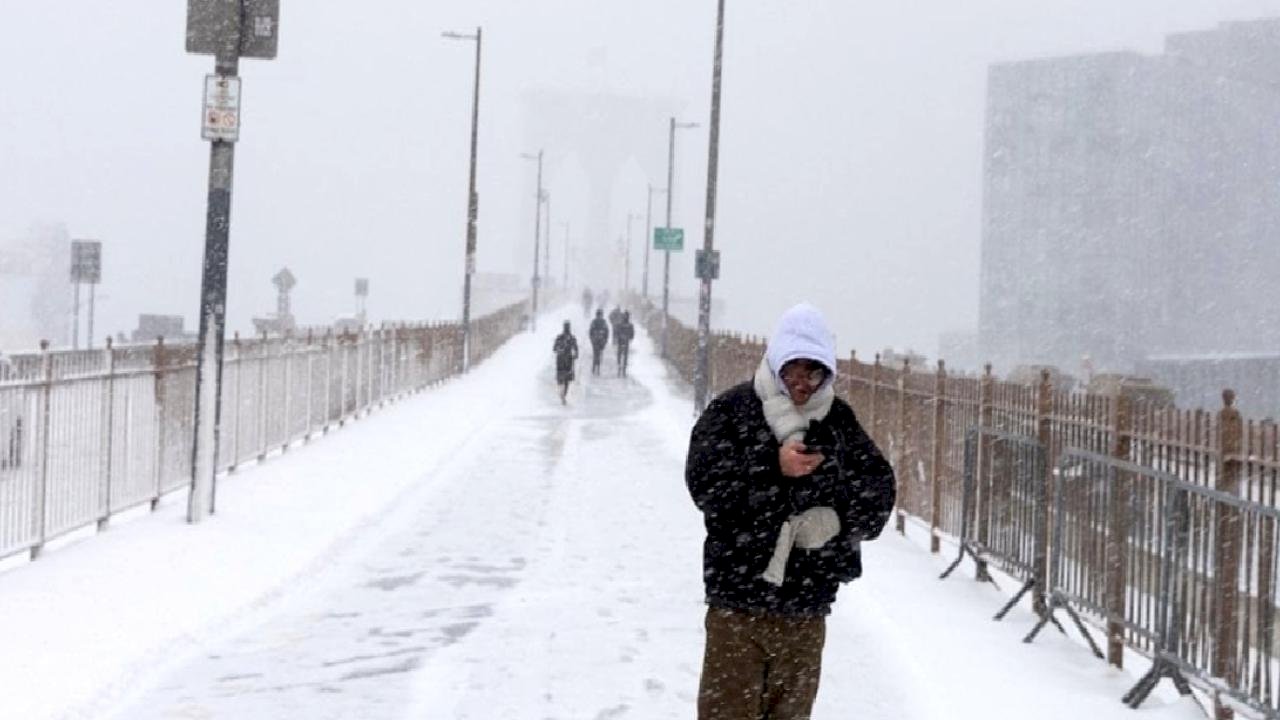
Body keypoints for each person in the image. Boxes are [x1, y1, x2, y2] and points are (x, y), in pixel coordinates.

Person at [685, 303, 896, 720]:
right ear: (776, 365)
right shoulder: (734, 411)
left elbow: (878, 494)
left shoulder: (837, 422)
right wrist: (771, 466)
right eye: (792, 373)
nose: (802, 385)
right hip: (738, 604)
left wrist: (834, 514)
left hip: (805, 611)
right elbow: (707, 487)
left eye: (812, 374)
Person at [552, 321, 579, 404]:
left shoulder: (560, 337)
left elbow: (554, 348)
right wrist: (575, 355)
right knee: (567, 378)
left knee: (561, 378)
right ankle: (563, 394)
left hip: (561, 360)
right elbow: (576, 349)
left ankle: (562, 394)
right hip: (568, 360)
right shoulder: (571, 338)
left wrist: (559, 350)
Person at [588, 309, 610, 376]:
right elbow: (607, 331)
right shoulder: (603, 322)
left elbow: (591, 331)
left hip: (597, 340)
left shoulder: (595, 322)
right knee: (597, 354)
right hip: (598, 340)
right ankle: (596, 368)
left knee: (596, 354)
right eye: (599, 315)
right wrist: (605, 339)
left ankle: (595, 368)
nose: (599, 316)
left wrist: (592, 338)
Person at [614, 310, 634, 378]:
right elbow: (632, 334)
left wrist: (619, 337)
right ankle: (623, 368)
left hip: (622, 341)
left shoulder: (620, 324)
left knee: (620, 354)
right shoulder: (629, 325)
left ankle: (620, 366)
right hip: (625, 341)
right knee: (624, 355)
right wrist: (629, 337)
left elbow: (617, 332)